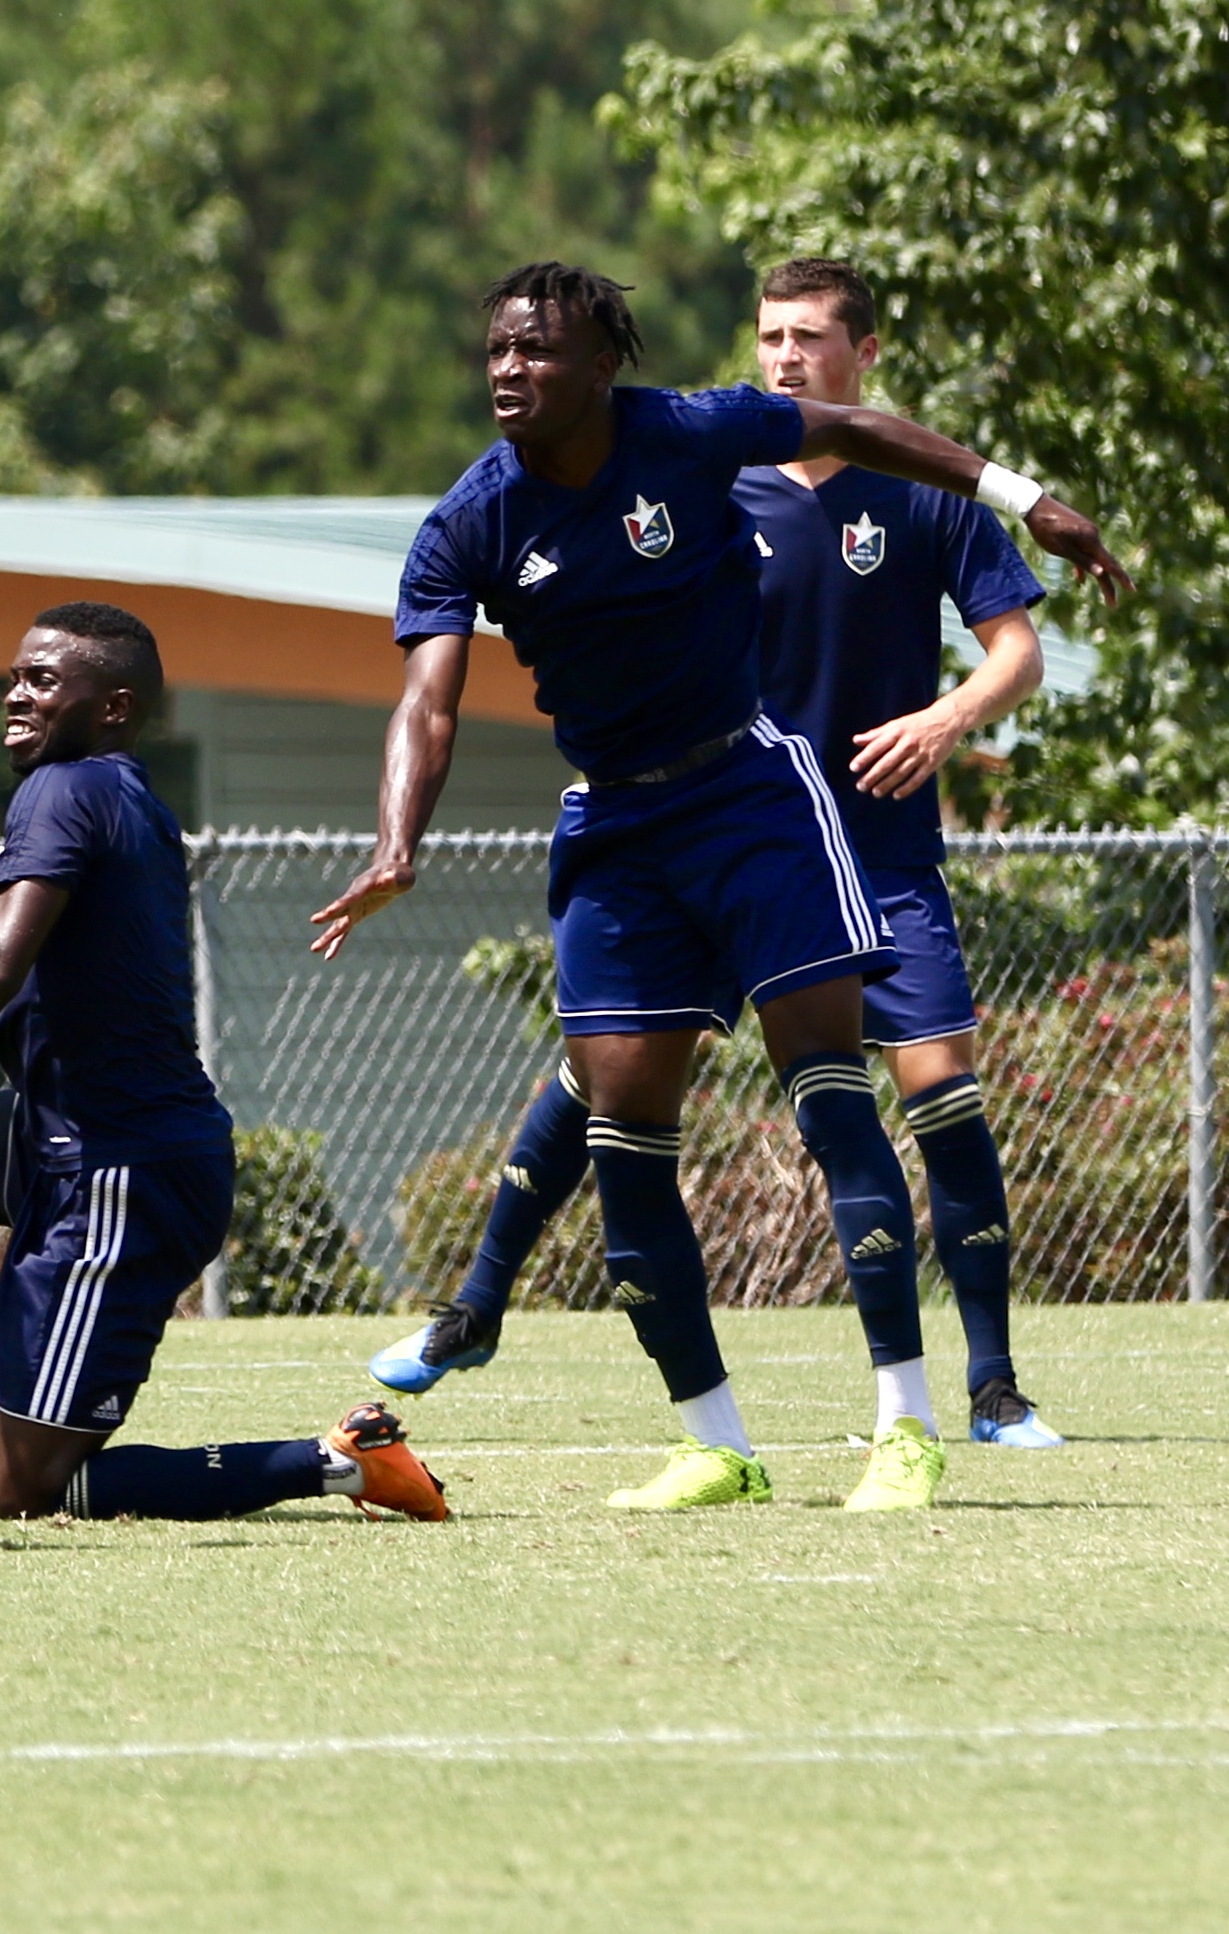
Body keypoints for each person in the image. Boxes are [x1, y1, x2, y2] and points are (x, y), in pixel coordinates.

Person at [308, 263, 1127, 1514]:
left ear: (598, 366)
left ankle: (907, 1422)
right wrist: (392, 841)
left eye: (535, 350)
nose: (506, 370)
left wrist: (1032, 499)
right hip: (615, 822)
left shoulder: (685, 430)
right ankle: (713, 1440)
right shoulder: (468, 520)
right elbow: (426, 698)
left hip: (749, 792)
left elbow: (856, 429)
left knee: (831, 1097)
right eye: (494, 350)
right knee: (620, 1129)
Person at [0, 606, 452, 1523]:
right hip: (72, 1135)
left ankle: (342, 1460)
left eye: (42, 680)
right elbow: (0, 922)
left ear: (113, 706)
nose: (15, 693)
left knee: (40, 1493)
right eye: (16, 675)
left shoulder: (68, 789)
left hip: (122, 1170)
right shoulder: (105, 792)